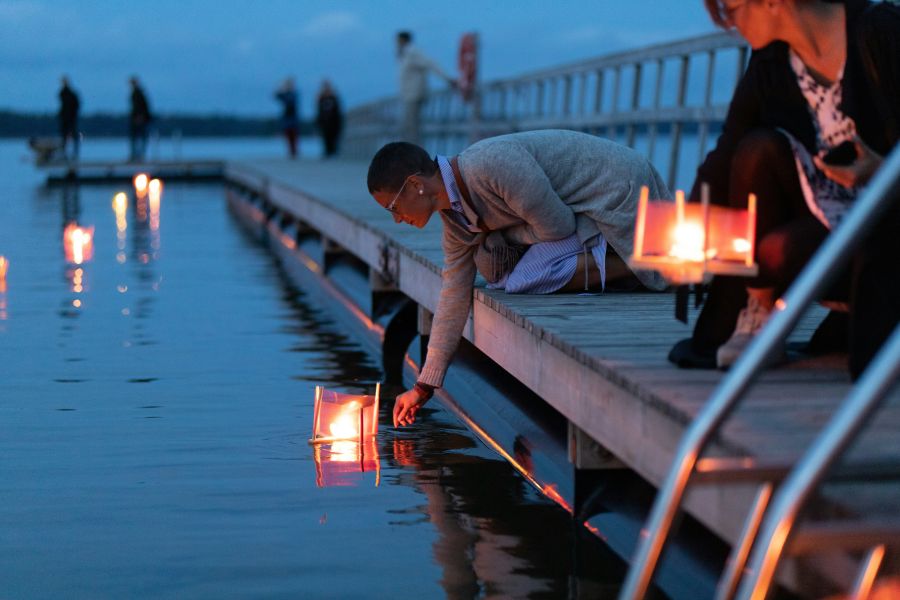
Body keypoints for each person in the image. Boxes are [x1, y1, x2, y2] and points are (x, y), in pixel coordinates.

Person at [367, 130, 671, 427]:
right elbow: (453, 293)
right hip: (581, 208)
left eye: (393, 207)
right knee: (496, 272)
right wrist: (425, 385)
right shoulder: (456, 221)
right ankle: (625, 262)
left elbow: (558, 226)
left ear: (416, 185)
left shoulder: (491, 166)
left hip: (617, 191)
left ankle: (637, 265)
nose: (396, 219)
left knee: (521, 277)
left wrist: (504, 235)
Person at [668, 0, 899, 379]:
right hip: (831, 219)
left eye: (730, 12)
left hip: (887, 223)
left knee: (780, 252)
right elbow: (728, 149)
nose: (730, 26)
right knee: (758, 150)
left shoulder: (881, 30)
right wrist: (688, 233)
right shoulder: (772, 60)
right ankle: (760, 319)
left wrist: (884, 170)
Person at [396, 31, 456, 145]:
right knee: (409, 126)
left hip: (414, 94)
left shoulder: (412, 52)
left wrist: (447, 78)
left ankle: (414, 154)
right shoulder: (405, 53)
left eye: (398, 40)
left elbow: (431, 64)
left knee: (412, 126)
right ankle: (411, 152)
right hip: (409, 94)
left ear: (403, 40)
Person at [316, 80, 343, 157]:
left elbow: (337, 111)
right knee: (325, 137)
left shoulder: (334, 98)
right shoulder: (320, 99)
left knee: (333, 137)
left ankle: (333, 152)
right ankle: (327, 152)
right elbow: (319, 111)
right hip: (324, 122)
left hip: (333, 122)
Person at [275, 78, 300, 158]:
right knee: (288, 135)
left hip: (293, 118)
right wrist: (281, 87)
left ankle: (294, 151)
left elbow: (290, 101)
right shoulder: (285, 94)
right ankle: (291, 151)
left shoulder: (294, 94)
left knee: (294, 136)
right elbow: (276, 95)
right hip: (286, 118)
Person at [129, 77, 152, 161]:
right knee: (138, 138)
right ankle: (137, 155)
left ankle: (137, 156)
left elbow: (140, 107)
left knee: (138, 138)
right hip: (139, 118)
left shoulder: (137, 93)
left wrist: (139, 117)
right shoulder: (138, 93)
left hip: (139, 119)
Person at [58, 76, 80, 160]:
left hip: (70, 118)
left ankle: (74, 153)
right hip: (65, 118)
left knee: (72, 135)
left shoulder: (71, 94)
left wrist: (73, 114)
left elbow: (76, 105)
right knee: (64, 137)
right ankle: (64, 154)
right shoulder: (62, 93)